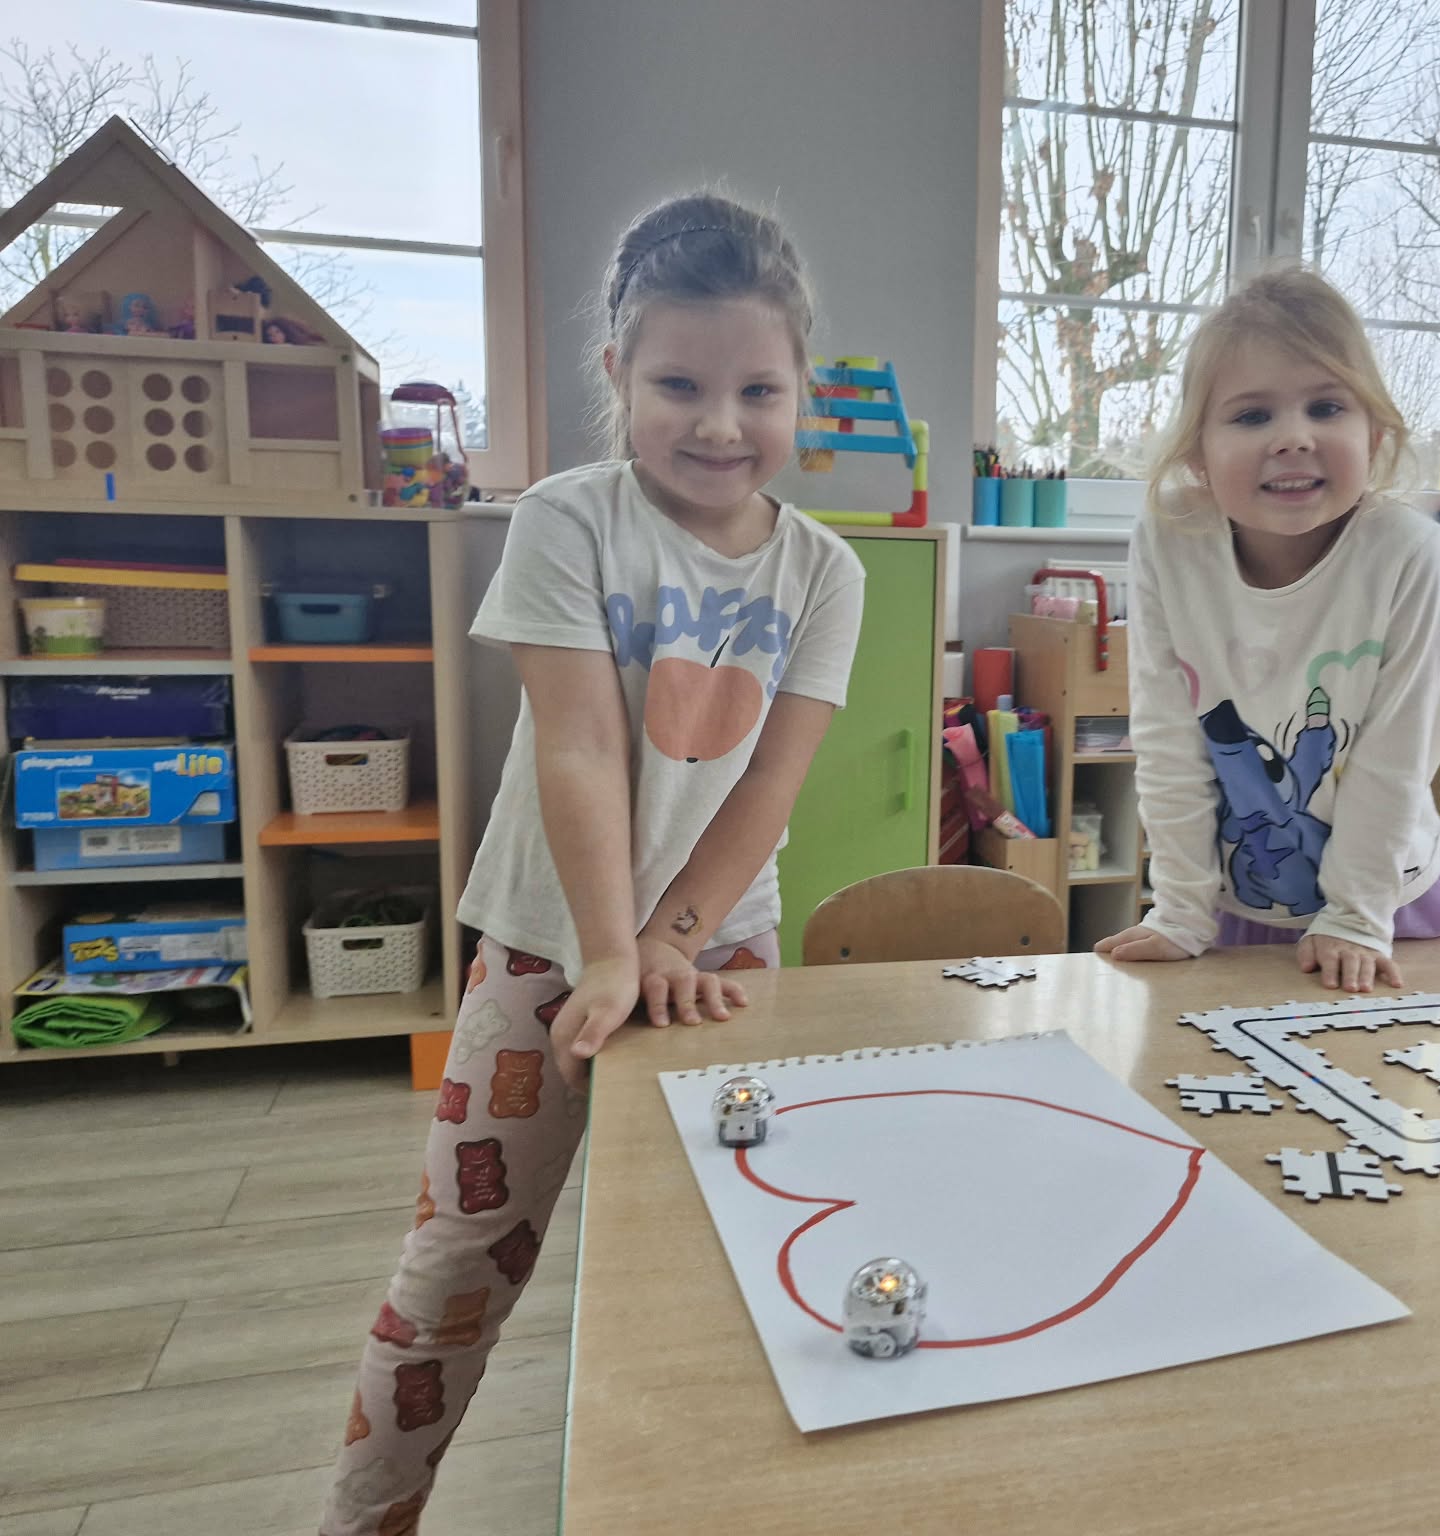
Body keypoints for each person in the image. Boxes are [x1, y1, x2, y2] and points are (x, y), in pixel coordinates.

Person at [322, 189, 864, 1534]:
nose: (721, 423)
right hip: (546, 947)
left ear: (802, 391)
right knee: (456, 1267)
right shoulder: (568, 518)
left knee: (723, 1262)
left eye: (758, 390)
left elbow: (771, 784)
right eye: (680, 384)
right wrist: (612, 951)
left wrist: (671, 941)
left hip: (722, 947)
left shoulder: (826, 573)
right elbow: (576, 748)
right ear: (618, 371)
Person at [1095, 267, 1440, 995]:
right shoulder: (1168, 537)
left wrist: (1354, 915)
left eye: (1326, 407)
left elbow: (1397, 757)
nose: (1293, 438)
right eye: (1252, 416)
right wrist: (1180, 907)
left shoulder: (1404, 548)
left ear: (1375, 434)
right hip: (1242, 903)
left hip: (1390, 904)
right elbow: (1166, 737)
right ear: (1197, 454)